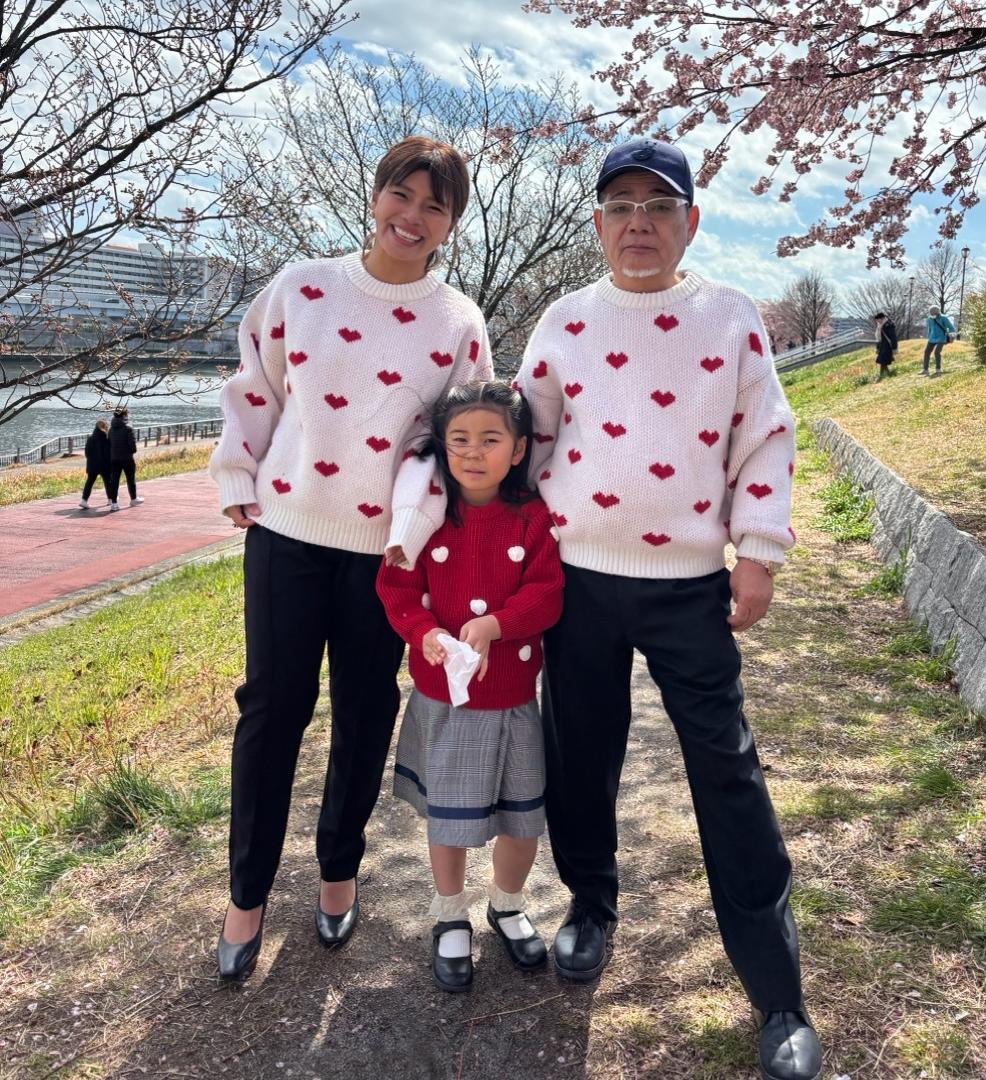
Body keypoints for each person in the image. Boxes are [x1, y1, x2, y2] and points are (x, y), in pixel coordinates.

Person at [515, 138, 822, 1080]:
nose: (638, 222)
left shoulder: (729, 316)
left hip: (690, 585)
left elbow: (764, 437)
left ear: (690, 221)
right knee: (580, 755)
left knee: (728, 772)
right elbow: (526, 442)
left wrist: (758, 551)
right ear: (598, 222)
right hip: (577, 581)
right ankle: (591, 903)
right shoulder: (564, 320)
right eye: (621, 206)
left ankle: (777, 989)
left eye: (659, 205)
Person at [208, 135, 493, 982]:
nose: (413, 216)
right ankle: (247, 894)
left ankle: (340, 869)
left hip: (388, 554)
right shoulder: (303, 285)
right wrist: (235, 470)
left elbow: (459, 438)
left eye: (434, 206)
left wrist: (441, 531)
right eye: (402, 195)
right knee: (272, 710)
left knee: (365, 710)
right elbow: (255, 383)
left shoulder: (459, 321)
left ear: (450, 224)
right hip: (288, 532)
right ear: (376, 196)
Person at [376, 380, 563, 992]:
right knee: (448, 815)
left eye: (490, 439)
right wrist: (425, 632)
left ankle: (507, 903)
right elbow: (397, 588)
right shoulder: (424, 518)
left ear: (518, 449)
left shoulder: (533, 517)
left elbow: (547, 593)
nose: (473, 453)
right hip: (444, 697)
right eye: (459, 440)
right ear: (441, 446)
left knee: (522, 818)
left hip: (512, 696)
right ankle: (450, 912)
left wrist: (494, 625)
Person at [107, 406, 143, 510]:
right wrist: (132, 451)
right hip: (127, 458)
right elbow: (132, 445)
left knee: (114, 480)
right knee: (130, 479)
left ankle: (114, 503)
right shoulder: (128, 428)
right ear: (124, 415)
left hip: (114, 458)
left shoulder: (111, 429)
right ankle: (133, 499)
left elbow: (109, 443)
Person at [79, 420, 110, 509]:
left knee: (89, 482)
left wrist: (91, 459)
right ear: (105, 427)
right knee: (108, 482)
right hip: (104, 464)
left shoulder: (90, 438)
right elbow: (108, 452)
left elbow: (87, 453)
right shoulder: (106, 438)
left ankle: (84, 500)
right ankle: (111, 499)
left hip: (92, 464)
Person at [923, 306, 956, 376]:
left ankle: (938, 369)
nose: (932, 315)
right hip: (932, 338)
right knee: (927, 352)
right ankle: (925, 370)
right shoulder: (929, 319)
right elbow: (930, 329)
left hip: (941, 338)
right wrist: (928, 336)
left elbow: (951, 328)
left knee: (937, 352)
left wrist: (951, 336)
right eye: (931, 314)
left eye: (934, 313)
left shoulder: (944, 318)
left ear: (937, 312)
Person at [873, 311, 899, 381]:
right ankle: (888, 373)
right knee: (883, 361)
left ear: (882, 318)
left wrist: (894, 347)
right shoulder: (880, 325)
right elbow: (878, 338)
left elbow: (893, 337)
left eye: (877, 320)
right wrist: (877, 347)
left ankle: (881, 375)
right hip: (882, 345)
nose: (877, 321)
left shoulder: (888, 325)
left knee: (882, 360)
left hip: (887, 346)